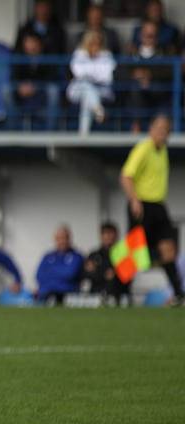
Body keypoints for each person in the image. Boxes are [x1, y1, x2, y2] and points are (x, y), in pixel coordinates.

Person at [120, 114, 184, 304]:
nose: (163, 133)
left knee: (168, 249)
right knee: (133, 252)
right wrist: (134, 200)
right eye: (160, 129)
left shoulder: (162, 151)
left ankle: (179, 294)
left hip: (158, 206)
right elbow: (126, 176)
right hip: (141, 205)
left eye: (167, 130)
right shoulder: (143, 148)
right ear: (151, 130)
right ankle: (117, 292)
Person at [123, 21, 172, 133]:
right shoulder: (131, 54)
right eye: (147, 35)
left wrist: (149, 75)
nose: (149, 38)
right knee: (135, 87)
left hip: (158, 94)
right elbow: (120, 73)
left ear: (157, 37)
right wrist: (135, 75)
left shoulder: (165, 52)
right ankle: (137, 124)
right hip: (137, 96)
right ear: (141, 35)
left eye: (152, 35)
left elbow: (170, 72)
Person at [66, 31, 115, 135]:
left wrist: (90, 75)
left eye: (97, 44)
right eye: (92, 43)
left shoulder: (107, 55)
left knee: (87, 98)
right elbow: (78, 73)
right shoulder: (79, 53)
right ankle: (99, 110)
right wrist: (93, 74)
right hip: (77, 89)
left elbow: (106, 77)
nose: (95, 47)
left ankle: (83, 134)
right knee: (86, 86)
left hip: (101, 90)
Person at [12, 31, 59, 129]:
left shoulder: (48, 57)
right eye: (27, 42)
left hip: (41, 92)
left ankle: (51, 132)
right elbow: (13, 77)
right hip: (23, 94)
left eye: (32, 42)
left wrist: (36, 86)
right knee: (6, 90)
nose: (30, 45)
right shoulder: (19, 57)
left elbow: (53, 77)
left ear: (39, 44)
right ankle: (12, 128)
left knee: (53, 90)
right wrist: (19, 86)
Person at [82, 222, 131, 304]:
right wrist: (104, 274)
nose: (108, 237)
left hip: (118, 296)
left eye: (111, 233)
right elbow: (86, 274)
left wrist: (115, 275)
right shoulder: (93, 255)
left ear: (116, 235)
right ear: (101, 236)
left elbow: (127, 279)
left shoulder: (124, 255)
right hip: (96, 295)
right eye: (106, 233)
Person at [36, 225, 84, 304]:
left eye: (64, 238)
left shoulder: (77, 256)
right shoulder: (48, 256)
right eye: (59, 238)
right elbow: (39, 275)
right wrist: (59, 272)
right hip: (46, 294)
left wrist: (50, 271)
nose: (61, 241)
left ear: (69, 239)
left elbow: (70, 274)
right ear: (55, 239)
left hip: (67, 294)